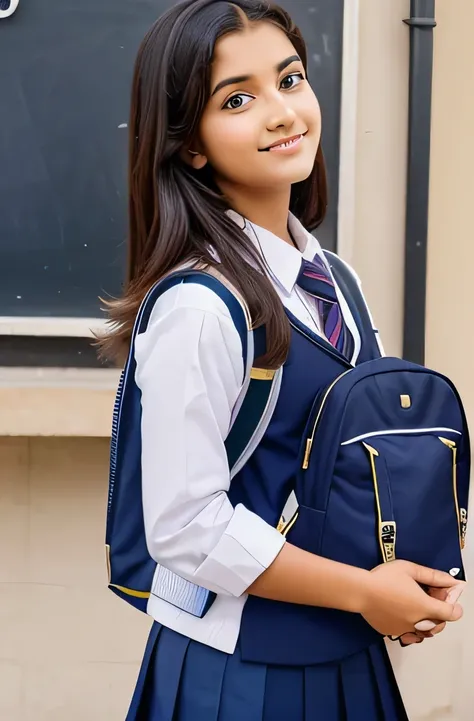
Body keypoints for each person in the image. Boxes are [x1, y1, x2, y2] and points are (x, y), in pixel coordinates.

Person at [102, 1, 465, 718]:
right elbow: (184, 525)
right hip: (238, 672)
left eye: (290, 80)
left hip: (347, 654)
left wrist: (405, 582)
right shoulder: (199, 306)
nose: (280, 112)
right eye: (237, 98)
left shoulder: (336, 279)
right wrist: (366, 592)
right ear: (191, 144)